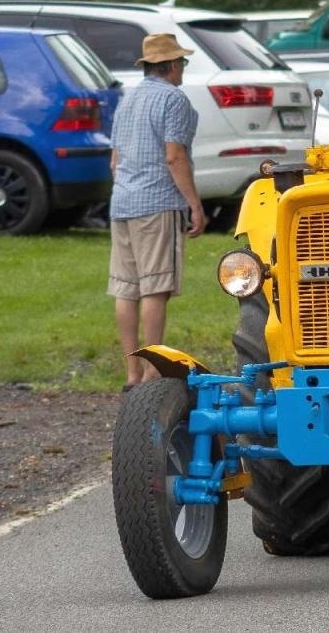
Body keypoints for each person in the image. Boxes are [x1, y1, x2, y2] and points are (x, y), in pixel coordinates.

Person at [108, 33, 206, 391]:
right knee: (155, 287)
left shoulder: (127, 100)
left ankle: (132, 373)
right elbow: (174, 155)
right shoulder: (173, 99)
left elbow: (115, 160)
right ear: (170, 65)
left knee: (126, 288)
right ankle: (152, 371)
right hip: (157, 202)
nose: (182, 69)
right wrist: (193, 203)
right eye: (181, 62)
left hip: (122, 203)